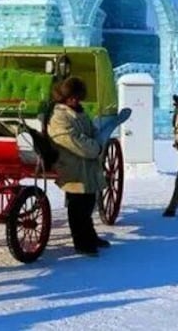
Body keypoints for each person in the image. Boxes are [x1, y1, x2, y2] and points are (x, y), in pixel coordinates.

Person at [47, 76, 109, 256]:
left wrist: (96, 140)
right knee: (77, 206)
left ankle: (90, 236)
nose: (74, 100)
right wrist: (95, 147)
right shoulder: (59, 115)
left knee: (88, 202)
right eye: (70, 97)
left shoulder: (79, 112)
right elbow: (71, 140)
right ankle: (81, 242)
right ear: (64, 96)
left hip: (85, 165)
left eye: (76, 97)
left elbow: (92, 131)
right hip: (71, 165)